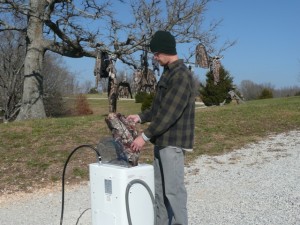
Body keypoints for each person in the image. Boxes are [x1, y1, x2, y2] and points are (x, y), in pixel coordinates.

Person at [127, 30, 195, 225]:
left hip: (172, 144)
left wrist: (144, 137)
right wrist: (140, 117)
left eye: (156, 54)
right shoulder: (167, 74)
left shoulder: (181, 76)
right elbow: (158, 109)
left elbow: (168, 115)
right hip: (161, 142)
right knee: (160, 193)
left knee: (174, 192)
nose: (155, 58)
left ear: (166, 51)